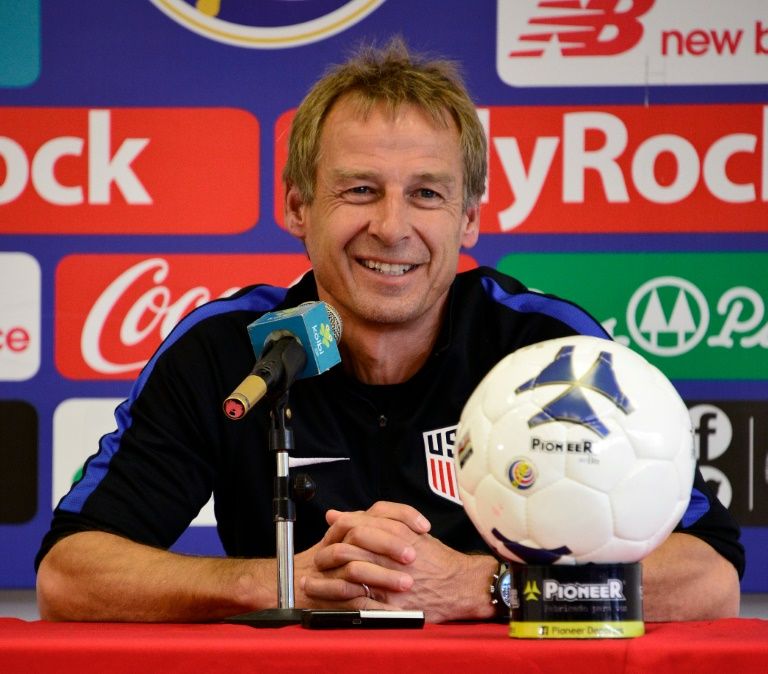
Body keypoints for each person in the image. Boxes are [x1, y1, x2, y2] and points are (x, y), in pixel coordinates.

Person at [35, 38, 744, 623]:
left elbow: (708, 579)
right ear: (297, 206)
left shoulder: (551, 351)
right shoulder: (224, 350)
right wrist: (279, 584)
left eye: (427, 194)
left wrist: (483, 588)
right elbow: (70, 575)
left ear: (469, 220)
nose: (392, 227)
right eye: (359, 189)